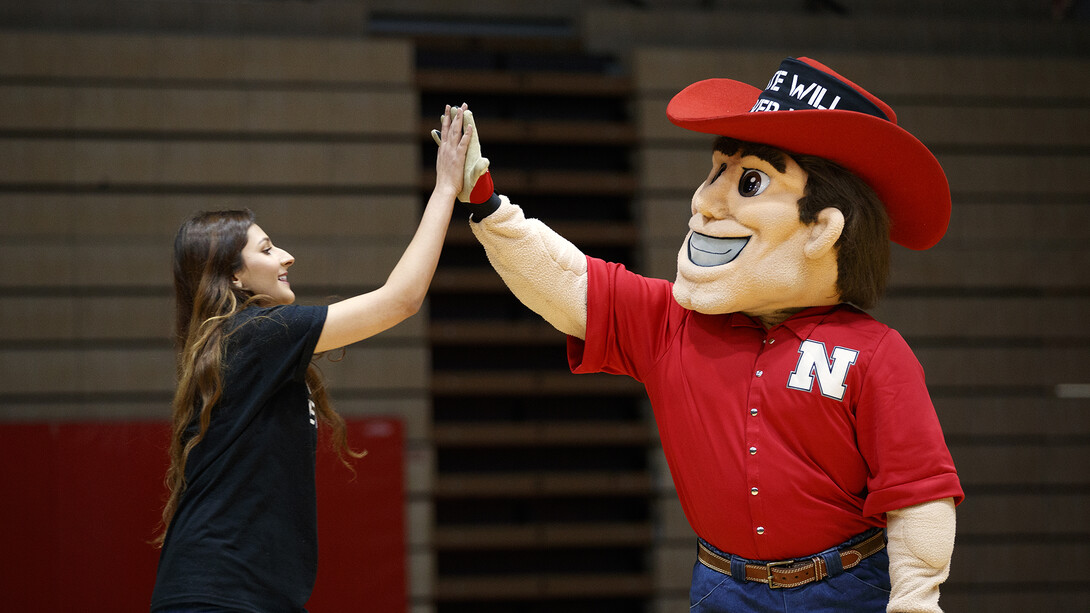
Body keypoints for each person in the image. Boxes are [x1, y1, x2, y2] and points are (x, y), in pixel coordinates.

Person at [451, 58, 963, 612]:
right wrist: (488, 208)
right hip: (725, 589)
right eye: (715, 172)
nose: (704, 202)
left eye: (749, 182)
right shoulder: (670, 322)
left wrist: (915, 602)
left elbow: (919, 493)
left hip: (849, 588)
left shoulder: (876, 353)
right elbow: (569, 281)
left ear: (823, 227)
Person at [150, 104, 473, 613]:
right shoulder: (255, 333)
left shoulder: (249, 342)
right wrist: (444, 188)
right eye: (268, 248)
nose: (286, 257)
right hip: (218, 598)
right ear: (233, 278)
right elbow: (401, 299)